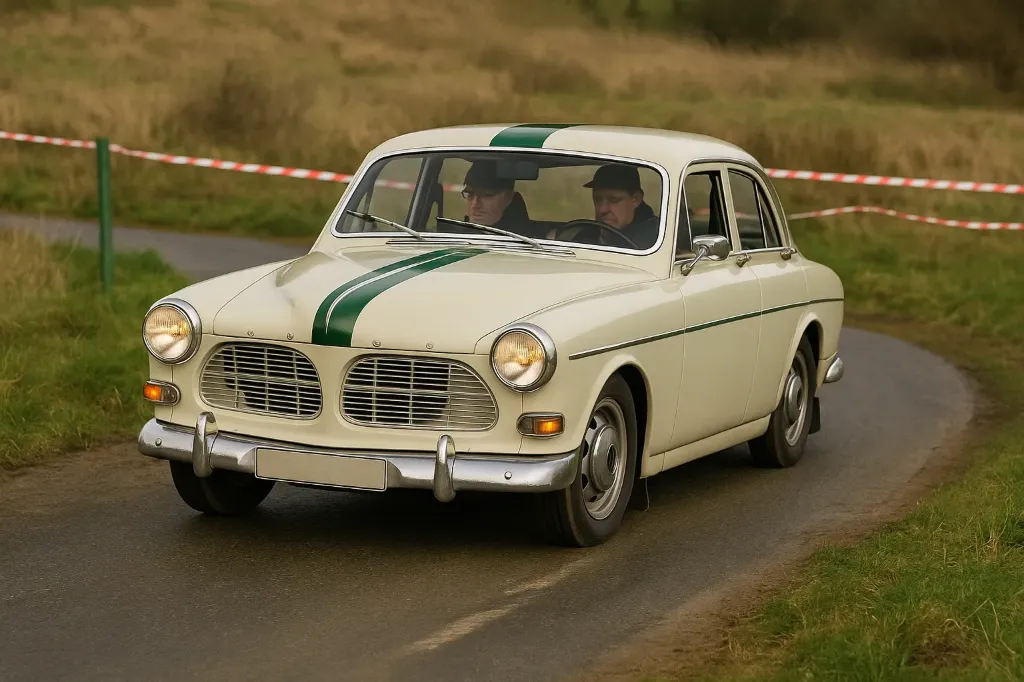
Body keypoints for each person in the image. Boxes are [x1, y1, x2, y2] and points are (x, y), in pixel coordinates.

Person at [582, 163, 659, 248]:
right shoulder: (585, 234)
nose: (602, 209)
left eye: (614, 200)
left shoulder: (654, 242)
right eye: (598, 199)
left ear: (636, 199)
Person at [457, 160, 532, 231]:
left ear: (508, 197)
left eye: (486, 195)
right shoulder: (453, 234)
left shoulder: (535, 238)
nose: (475, 205)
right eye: (470, 194)